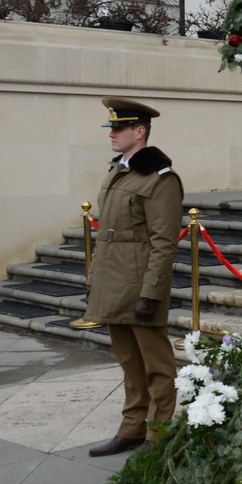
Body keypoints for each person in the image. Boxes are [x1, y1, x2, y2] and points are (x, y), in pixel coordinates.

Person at [84, 98, 184, 457]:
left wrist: (152, 292)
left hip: (140, 281)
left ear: (139, 132)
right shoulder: (118, 171)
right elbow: (106, 234)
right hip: (114, 280)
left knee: (156, 363)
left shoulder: (160, 179)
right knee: (129, 362)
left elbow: (163, 242)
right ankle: (131, 426)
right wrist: (95, 281)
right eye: (112, 127)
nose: (112, 134)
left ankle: (158, 432)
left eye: (120, 128)